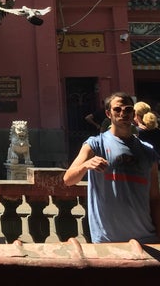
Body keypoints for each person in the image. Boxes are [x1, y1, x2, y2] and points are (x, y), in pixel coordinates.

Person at [63, 91, 160, 244]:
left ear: (134, 114)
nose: (123, 113)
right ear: (108, 113)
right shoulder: (95, 144)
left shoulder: (148, 152)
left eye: (128, 109)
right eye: (117, 109)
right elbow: (68, 179)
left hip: (147, 238)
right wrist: (86, 166)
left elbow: (154, 198)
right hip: (108, 240)